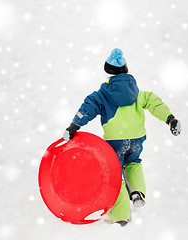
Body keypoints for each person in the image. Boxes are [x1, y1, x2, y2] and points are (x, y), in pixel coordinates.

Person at [63, 48, 181, 226]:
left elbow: (87, 108)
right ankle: (138, 192)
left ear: (108, 72)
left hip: (115, 141)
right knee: (133, 163)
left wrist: (73, 126)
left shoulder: (102, 95)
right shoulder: (138, 93)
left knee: (115, 173)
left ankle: (120, 214)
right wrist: (169, 119)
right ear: (125, 70)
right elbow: (155, 102)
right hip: (137, 138)